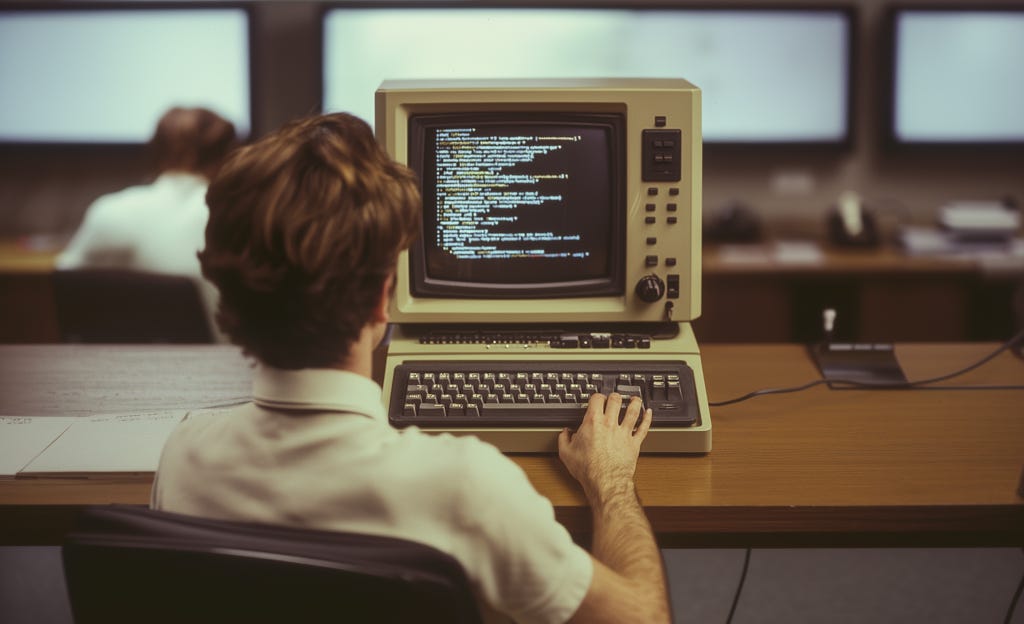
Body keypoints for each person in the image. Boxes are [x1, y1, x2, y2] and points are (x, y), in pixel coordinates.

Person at [151, 112, 671, 624]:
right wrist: (611, 479)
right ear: (383, 301)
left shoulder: (182, 457)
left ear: (230, 295)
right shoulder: (465, 484)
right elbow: (644, 621)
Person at [56, 107, 238, 337]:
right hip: (219, 363)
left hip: (118, 364)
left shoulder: (110, 210)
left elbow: (67, 284)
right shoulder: (237, 214)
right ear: (227, 155)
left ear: (156, 150)